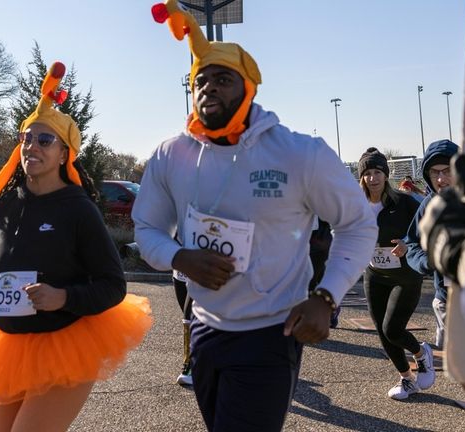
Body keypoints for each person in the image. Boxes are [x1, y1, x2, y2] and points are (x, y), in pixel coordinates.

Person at [135, 2, 377, 430]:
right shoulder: (172, 154)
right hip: (204, 329)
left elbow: (357, 224)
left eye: (223, 80)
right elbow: (147, 228)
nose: (208, 89)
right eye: (200, 81)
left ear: (249, 89)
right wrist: (178, 258)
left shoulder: (299, 154)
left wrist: (326, 296)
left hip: (272, 332)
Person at [0, 62, 152, 432]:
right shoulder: (8, 204)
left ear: (64, 153)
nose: (32, 147)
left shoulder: (78, 209)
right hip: (10, 344)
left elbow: (112, 284)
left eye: (44, 140)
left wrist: (63, 297)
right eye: (26, 138)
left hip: (65, 342)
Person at [357, 147, 435, 400]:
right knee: (382, 332)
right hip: (375, 275)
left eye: (377, 171)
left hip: (405, 276)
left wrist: (407, 243)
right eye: (367, 173)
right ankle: (406, 379)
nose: (373, 178)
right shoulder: (355, 205)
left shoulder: (405, 202)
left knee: (393, 329)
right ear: (361, 178)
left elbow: (430, 228)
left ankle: (421, 353)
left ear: (386, 174)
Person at [406, 139, 460, 349]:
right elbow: (412, 245)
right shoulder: (428, 206)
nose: (441, 178)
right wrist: (428, 261)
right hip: (447, 300)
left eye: (448, 171)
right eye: (435, 172)